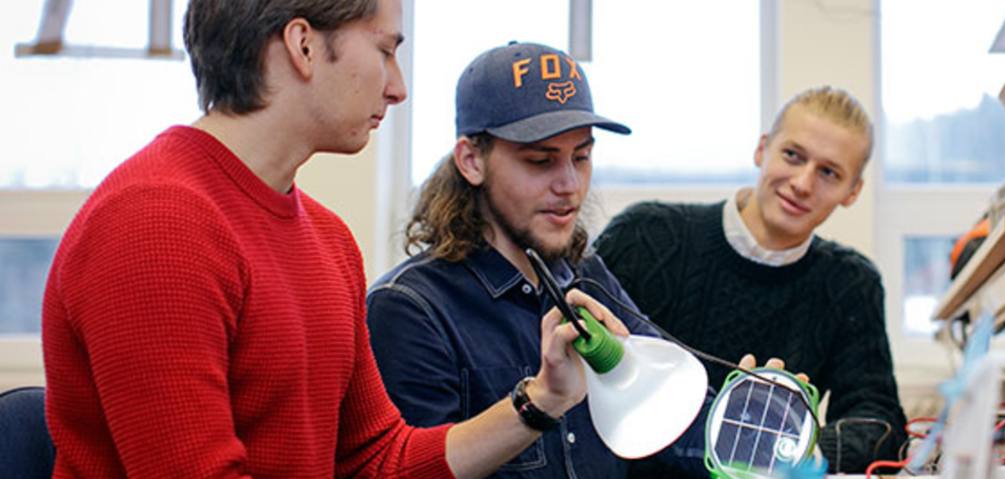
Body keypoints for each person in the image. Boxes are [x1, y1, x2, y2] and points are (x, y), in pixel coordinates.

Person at [41, 2, 617, 477]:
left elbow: (376, 458)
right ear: (303, 46)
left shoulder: (327, 240)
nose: (398, 88)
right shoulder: (156, 225)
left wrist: (542, 400)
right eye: (386, 51)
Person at [367, 42, 775, 478]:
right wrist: (539, 401)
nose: (569, 185)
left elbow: (673, 425)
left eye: (582, 157)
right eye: (540, 161)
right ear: (471, 161)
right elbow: (411, 469)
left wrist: (751, 424)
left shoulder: (586, 278)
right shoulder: (410, 309)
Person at [593, 86, 908, 473]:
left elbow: (879, 422)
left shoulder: (851, 283)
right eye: (792, 156)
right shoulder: (645, 236)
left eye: (829, 172)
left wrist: (787, 448)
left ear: (853, 191)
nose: (803, 183)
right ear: (762, 149)